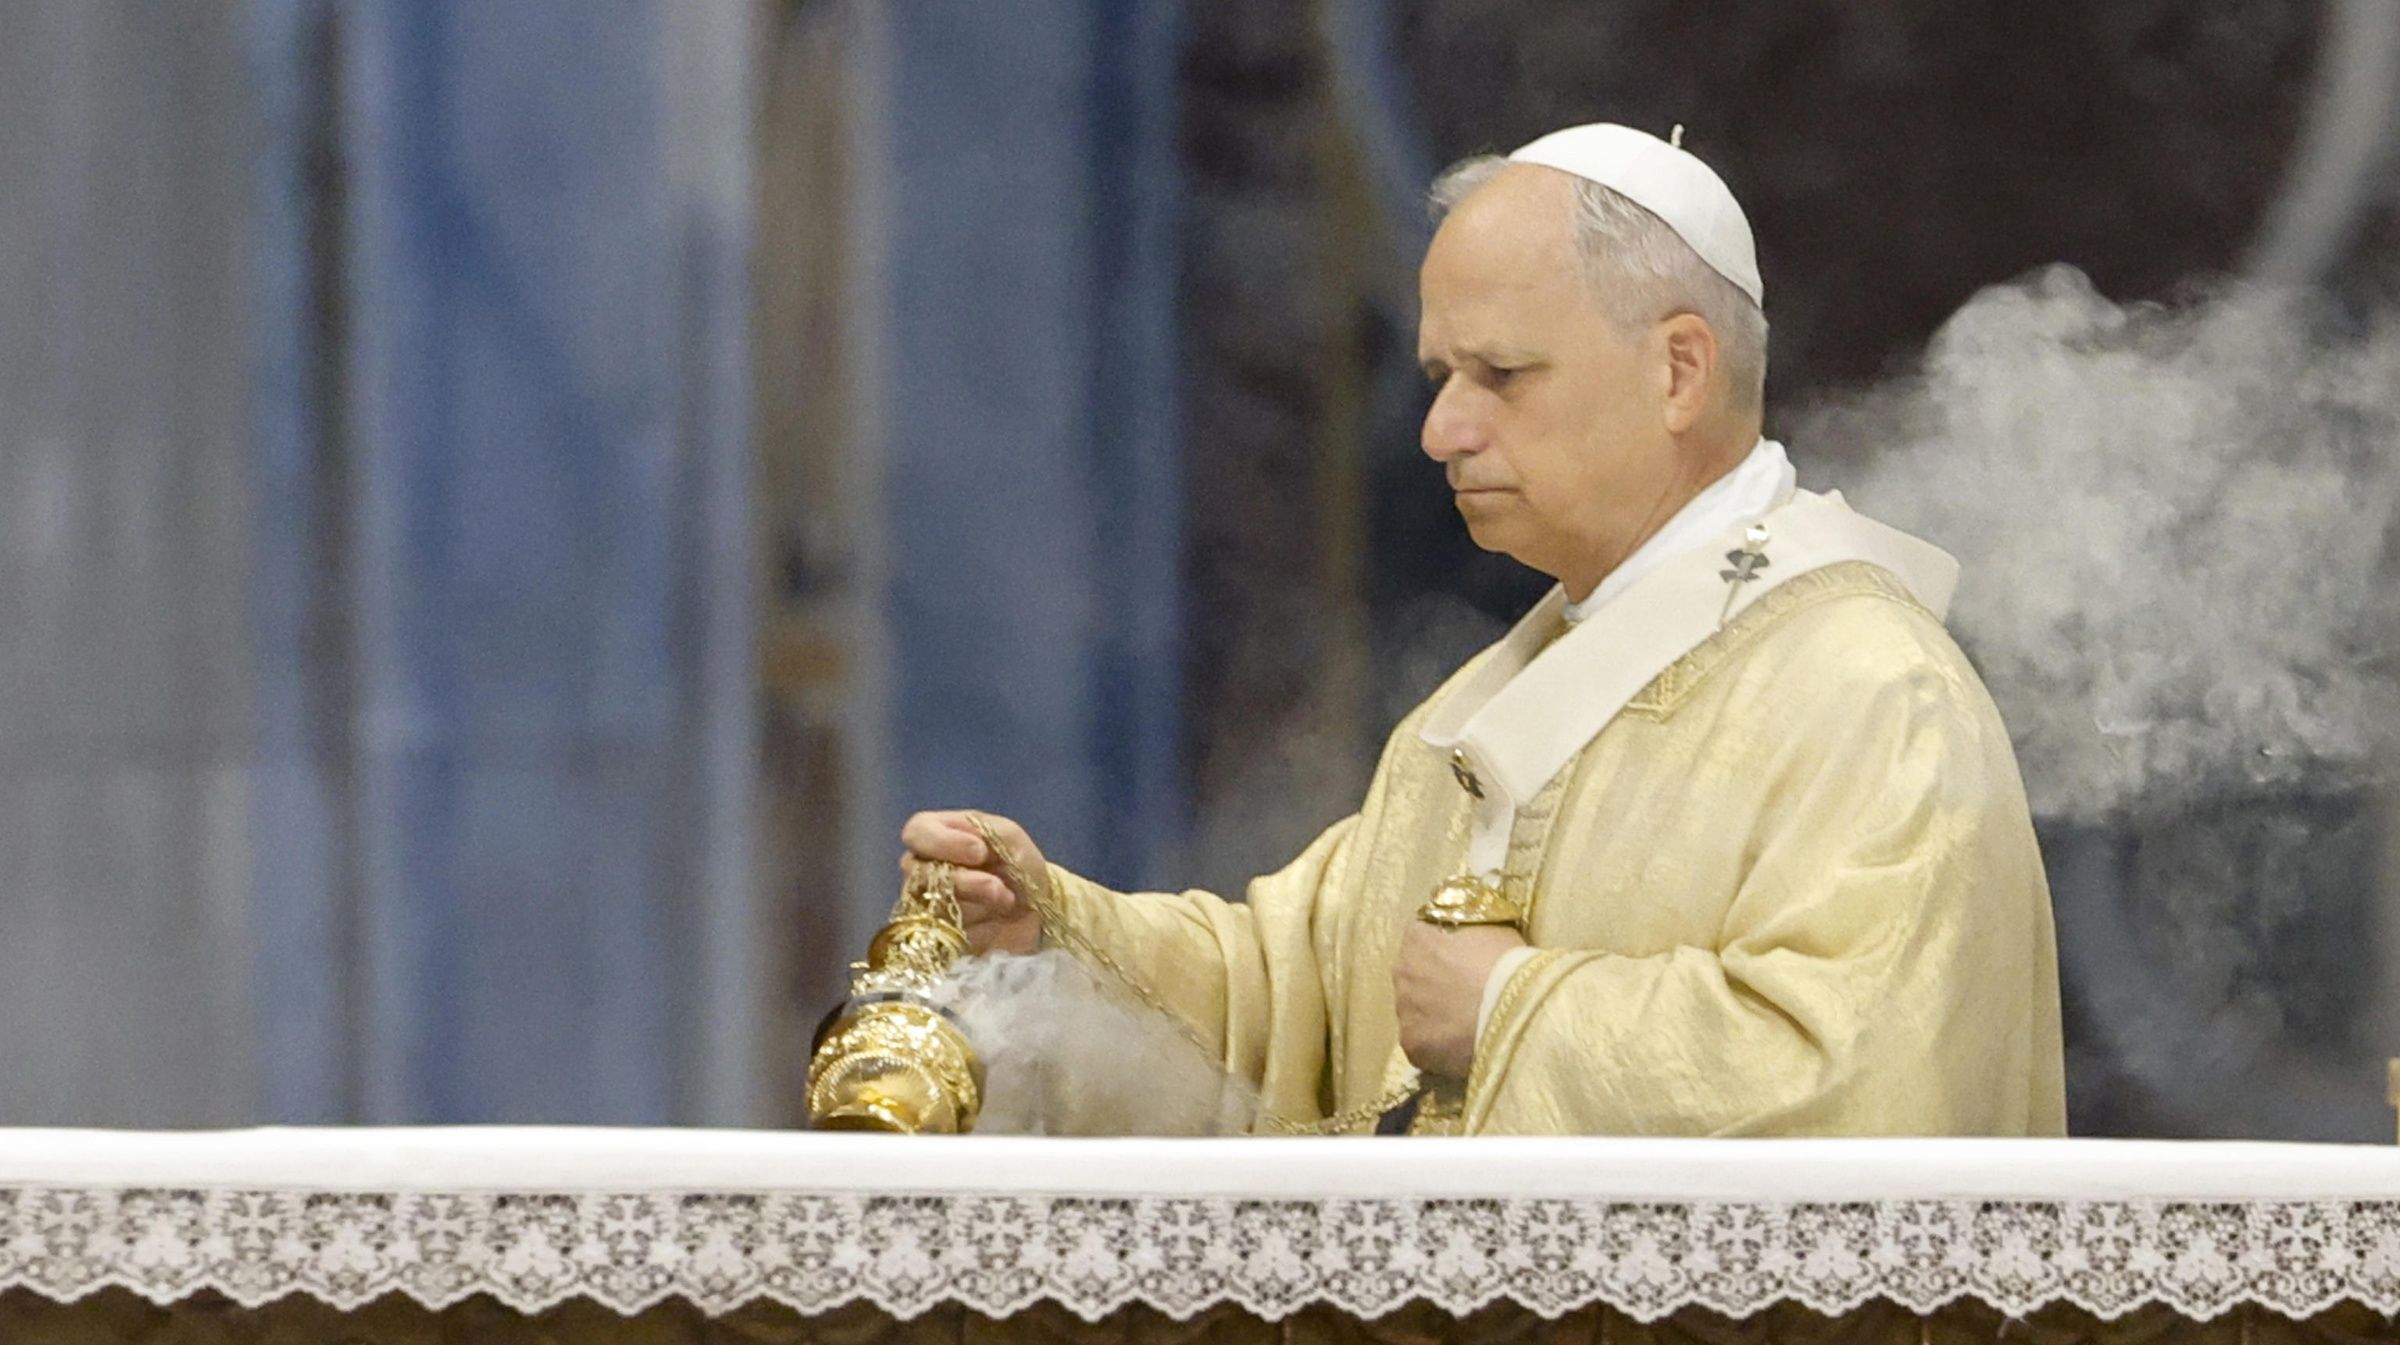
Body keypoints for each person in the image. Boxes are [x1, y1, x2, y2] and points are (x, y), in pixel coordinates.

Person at [900, 123, 2066, 1136]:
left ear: (1679, 370)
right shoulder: (1495, 699)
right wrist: (1051, 927)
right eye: (1439, 376)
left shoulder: (1869, 694)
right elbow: (1293, 995)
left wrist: (1512, 1011)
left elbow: (1863, 1089)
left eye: (1500, 374)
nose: (1442, 430)